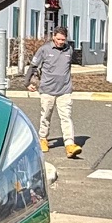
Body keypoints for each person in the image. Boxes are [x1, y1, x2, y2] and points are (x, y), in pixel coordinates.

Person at [22, 27, 80, 158]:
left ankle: (70, 144)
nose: (60, 42)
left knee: (66, 117)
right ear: (53, 37)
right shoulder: (44, 49)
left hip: (64, 90)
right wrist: (27, 83)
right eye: (58, 39)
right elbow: (33, 66)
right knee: (46, 116)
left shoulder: (69, 50)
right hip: (47, 90)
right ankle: (43, 139)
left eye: (63, 40)